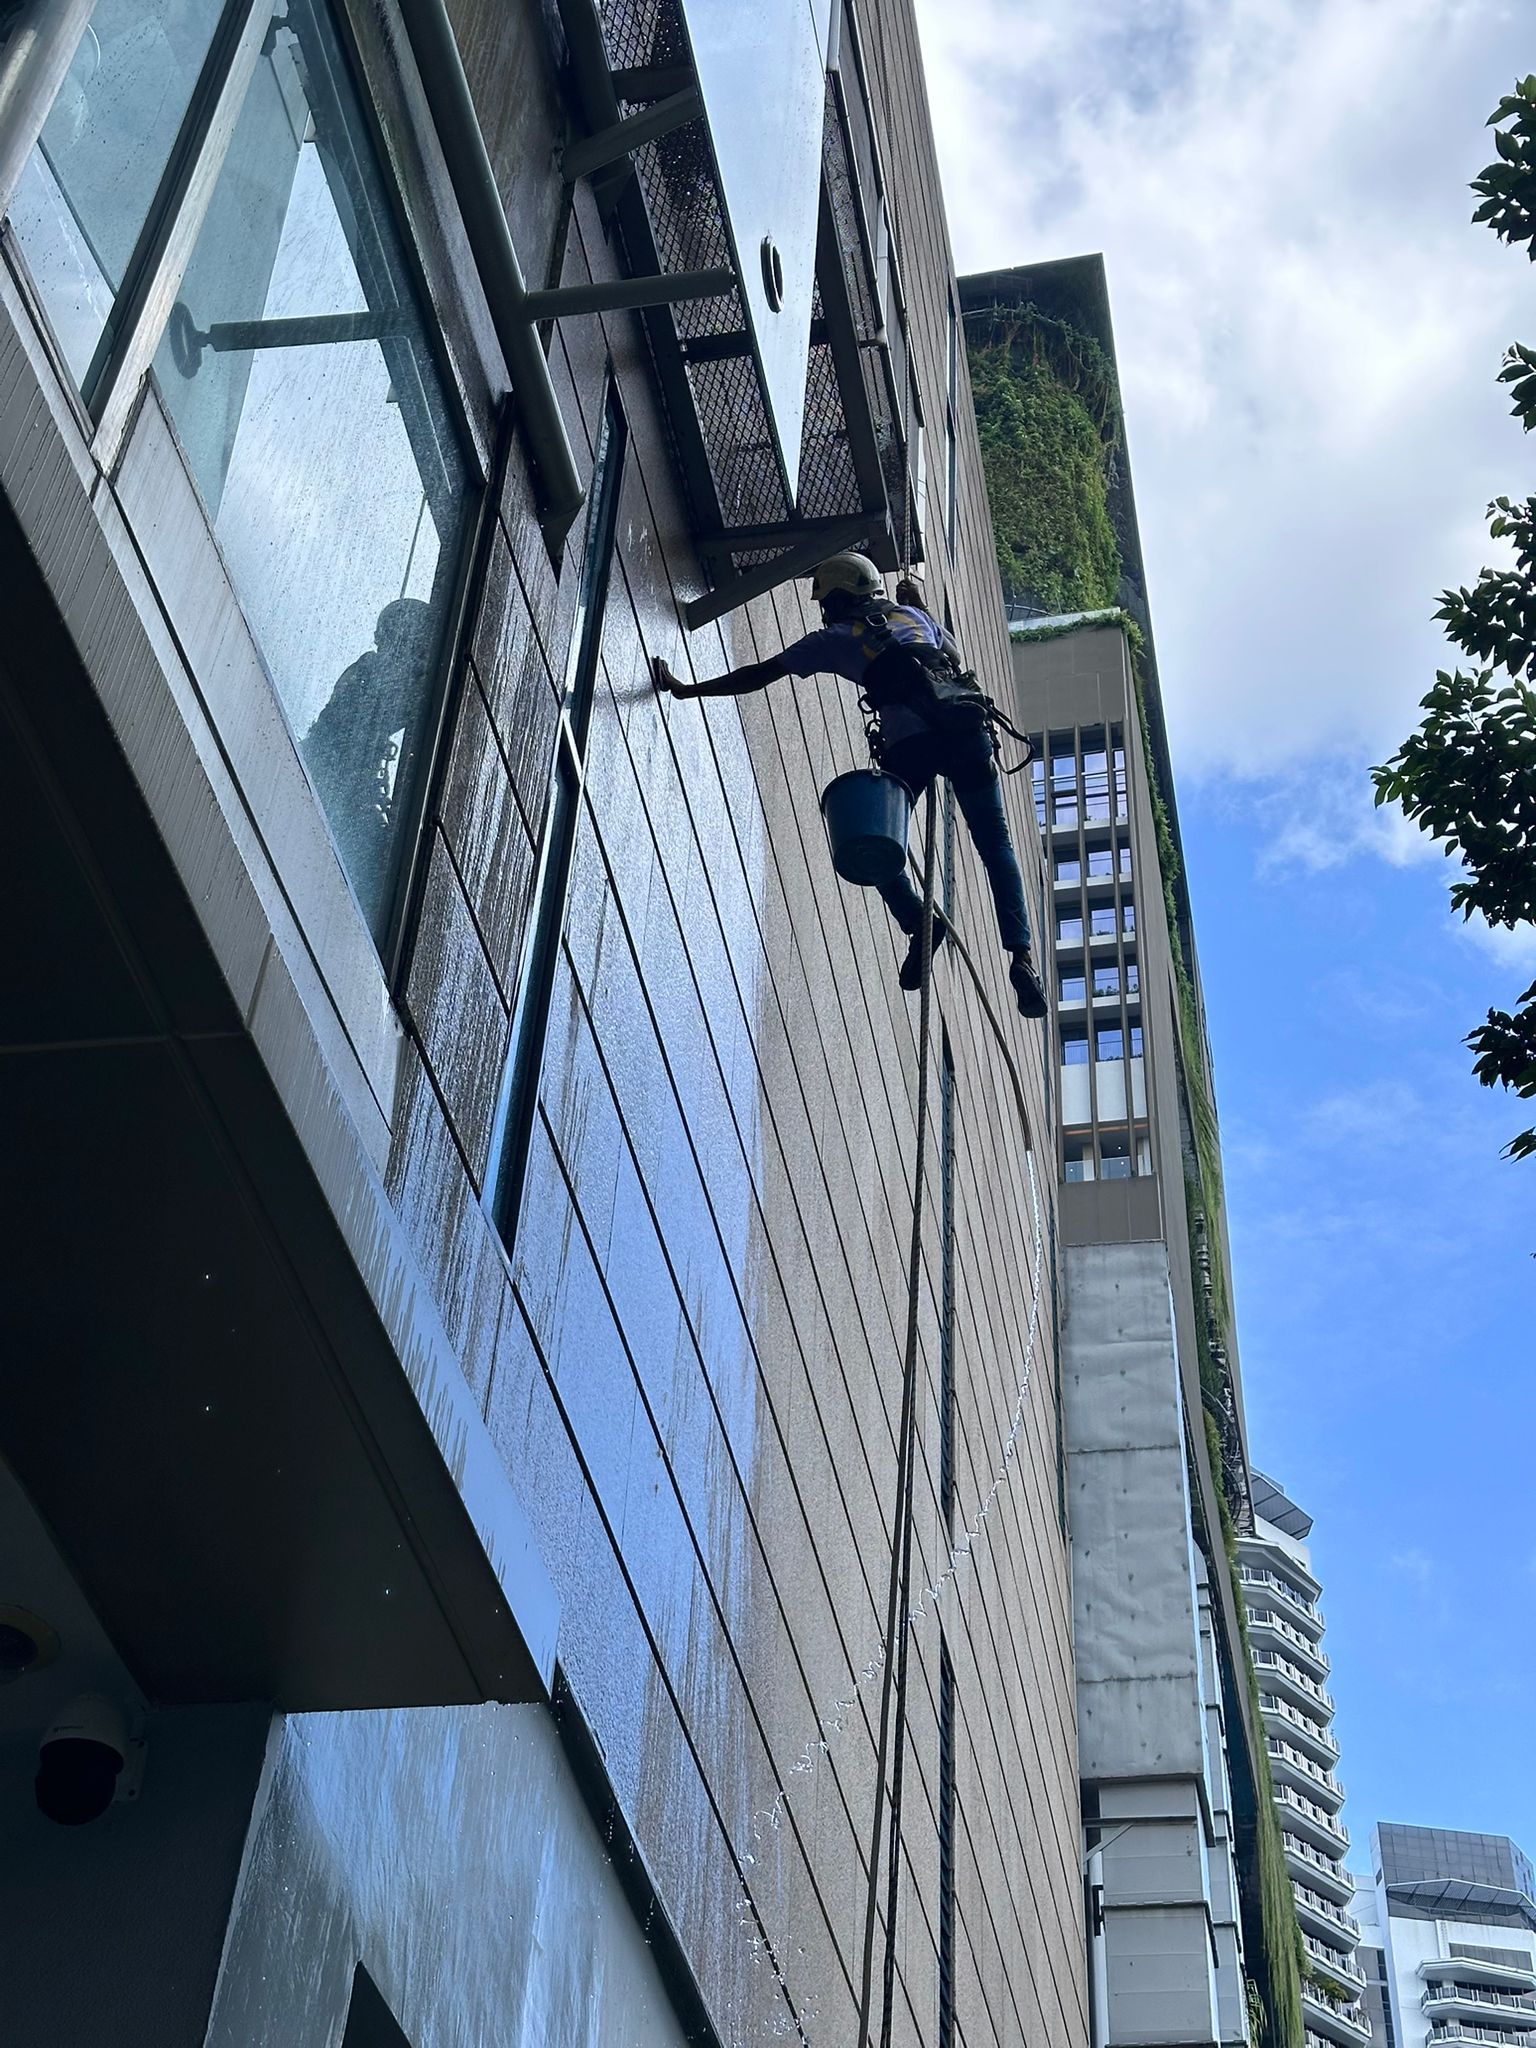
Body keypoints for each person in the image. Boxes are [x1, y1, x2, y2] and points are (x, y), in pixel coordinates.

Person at [653, 553, 1048, 1019]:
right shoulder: (911, 615)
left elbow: (758, 674)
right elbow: (954, 656)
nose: (824, 612)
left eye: (826, 603)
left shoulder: (837, 637)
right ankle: (1021, 957)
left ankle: (916, 918)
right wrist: (918, 603)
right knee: (996, 846)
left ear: (838, 599)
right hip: (966, 731)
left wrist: (688, 688)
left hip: (912, 744)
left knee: (871, 839)